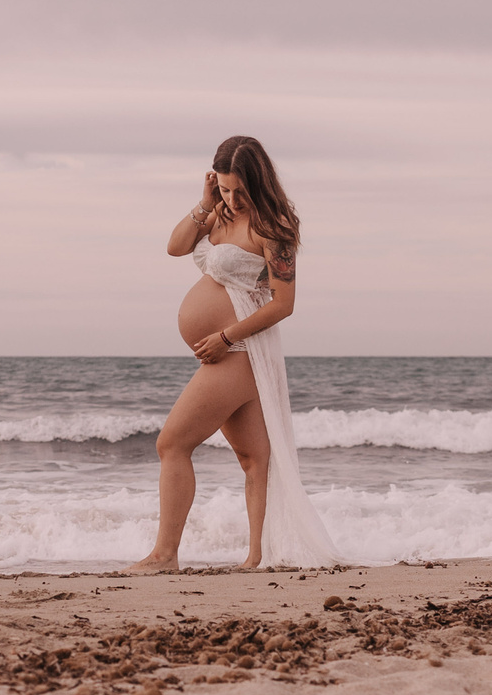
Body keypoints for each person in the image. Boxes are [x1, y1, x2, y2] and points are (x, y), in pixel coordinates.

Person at [128, 135, 344, 572]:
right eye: (224, 187)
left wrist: (225, 337)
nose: (232, 197)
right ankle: (256, 558)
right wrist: (204, 203)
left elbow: (283, 304)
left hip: (240, 350)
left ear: (258, 181)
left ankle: (164, 556)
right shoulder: (217, 215)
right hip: (227, 351)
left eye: (238, 189)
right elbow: (175, 246)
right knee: (253, 459)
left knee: (171, 443)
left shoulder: (273, 227)